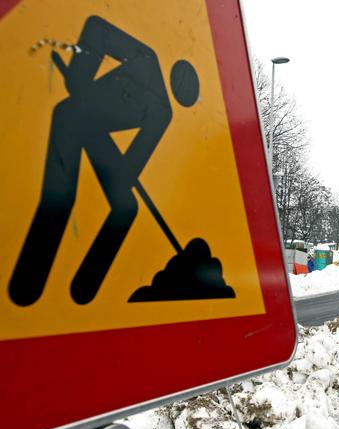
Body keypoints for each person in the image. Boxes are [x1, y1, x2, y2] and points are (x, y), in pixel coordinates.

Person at [9, 16, 200, 307]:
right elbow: (97, 29)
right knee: (72, 197)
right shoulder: (147, 63)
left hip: (88, 123)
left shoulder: (161, 110)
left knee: (124, 206)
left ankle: (83, 286)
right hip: (78, 116)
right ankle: (33, 279)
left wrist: (121, 173)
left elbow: (130, 166)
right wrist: (79, 76)